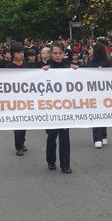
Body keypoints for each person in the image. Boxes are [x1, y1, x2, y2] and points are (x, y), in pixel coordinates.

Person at [42, 43, 78, 173]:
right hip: (50, 108)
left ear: (64, 53)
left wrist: (76, 70)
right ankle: (51, 161)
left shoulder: (69, 67)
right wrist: (42, 71)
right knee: (51, 136)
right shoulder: (46, 68)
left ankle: (65, 164)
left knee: (64, 137)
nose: (58, 56)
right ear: (51, 54)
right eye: (55, 53)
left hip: (64, 108)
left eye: (60, 53)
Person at [84, 43, 111, 148]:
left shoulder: (106, 63)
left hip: (104, 93)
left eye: (91, 48)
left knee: (103, 114)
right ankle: (98, 138)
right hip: (93, 94)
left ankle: (103, 136)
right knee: (96, 115)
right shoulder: (90, 64)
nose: (89, 50)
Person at [6, 43, 29, 156]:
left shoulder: (27, 66)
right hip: (14, 100)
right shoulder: (9, 67)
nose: (21, 55)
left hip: (26, 100)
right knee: (18, 124)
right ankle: (18, 146)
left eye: (22, 52)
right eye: (18, 53)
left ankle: (22, 142)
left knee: (24, 123)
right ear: (13, 54)